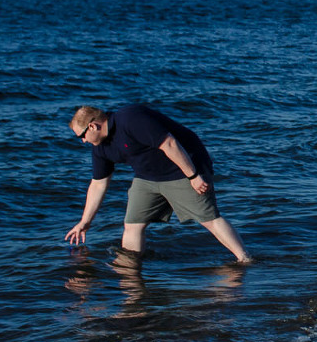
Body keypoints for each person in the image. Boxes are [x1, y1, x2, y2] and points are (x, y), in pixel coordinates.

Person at [65, 104, 250, 262]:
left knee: (209, 219)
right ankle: (131, 270)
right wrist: (85, 221)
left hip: (183, 169)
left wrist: (193, 177)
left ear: (93, 126)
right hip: (147, 178)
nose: (82, 141)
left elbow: (169, 144)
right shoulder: (100, 148)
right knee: (133, 224)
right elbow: (98, 184)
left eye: (81, 135)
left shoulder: (131, 119)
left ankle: (244, 259)